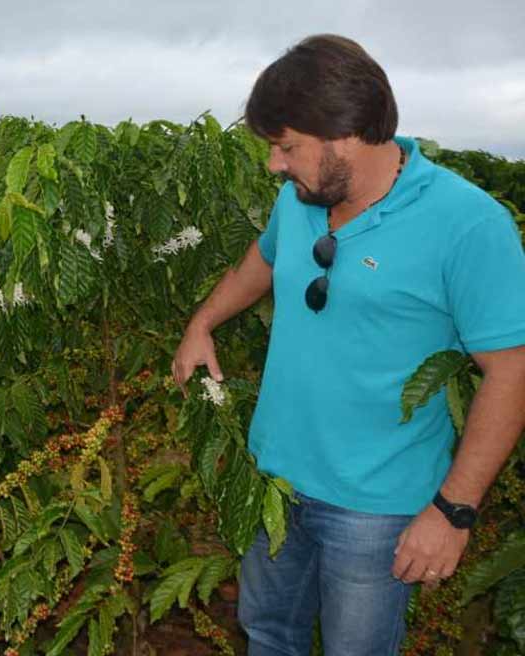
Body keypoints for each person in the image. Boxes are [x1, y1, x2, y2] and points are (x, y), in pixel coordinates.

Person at [171, 34, 525, 655]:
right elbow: (264, 258)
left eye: (287, 146)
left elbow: (512, 373)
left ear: (345, 133)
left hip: (376, 508)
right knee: (268, 634)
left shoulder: (470, 225)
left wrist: (452, 513)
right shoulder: (302, 197)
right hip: (275, 479)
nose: (274, 164)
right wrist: (203, 322)